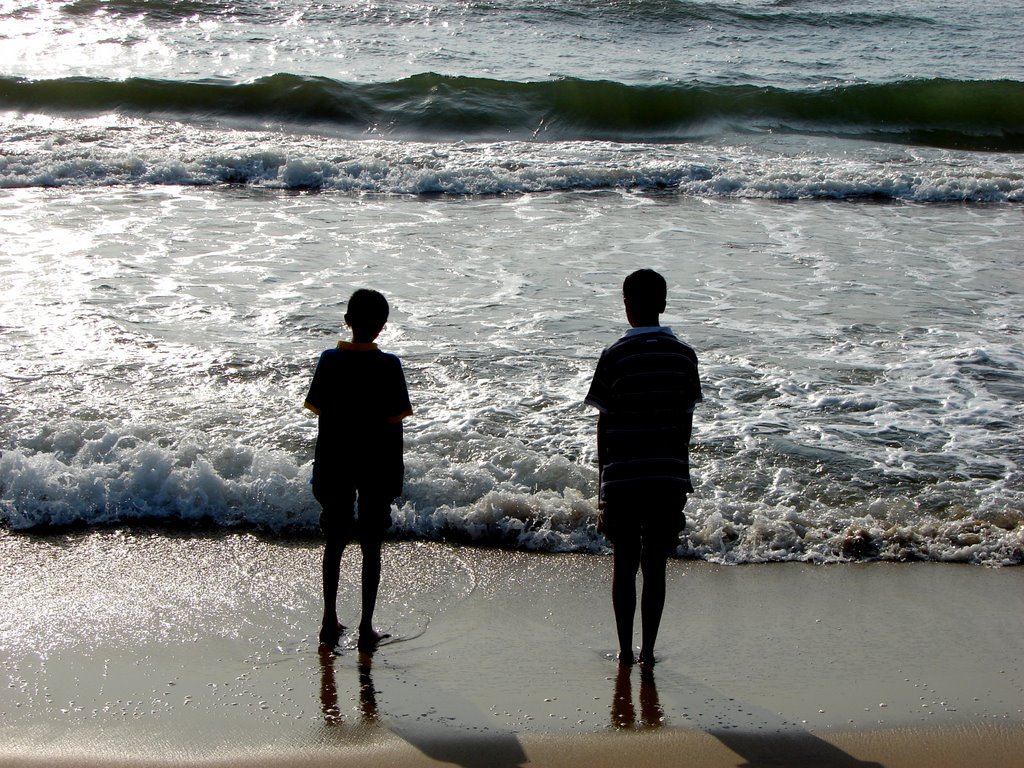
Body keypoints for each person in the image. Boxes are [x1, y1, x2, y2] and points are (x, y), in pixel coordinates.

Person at [585, 269, 702, 667]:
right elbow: (685, 422)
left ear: (626, 307)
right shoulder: (684, 356)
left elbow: (604, 424)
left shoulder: (615, 355)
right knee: (655, 564)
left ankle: (624, 650)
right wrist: (680, 472)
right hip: (667, 475)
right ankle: (648, 651)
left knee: (624, 563)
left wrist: (603, 480)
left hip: (623, 476)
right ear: (663, 305)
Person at [304, 288, 413, 651]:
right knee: (371, 546)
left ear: (347, 321)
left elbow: (321, 418)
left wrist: (319, 470)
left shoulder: (329, 361)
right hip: (376, 465)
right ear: (382, 326)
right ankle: (366, 627)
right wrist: (396, 475)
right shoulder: (389, 365)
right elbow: (395, 427)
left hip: (335, 462)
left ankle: (328, 620)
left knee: (334, 542)